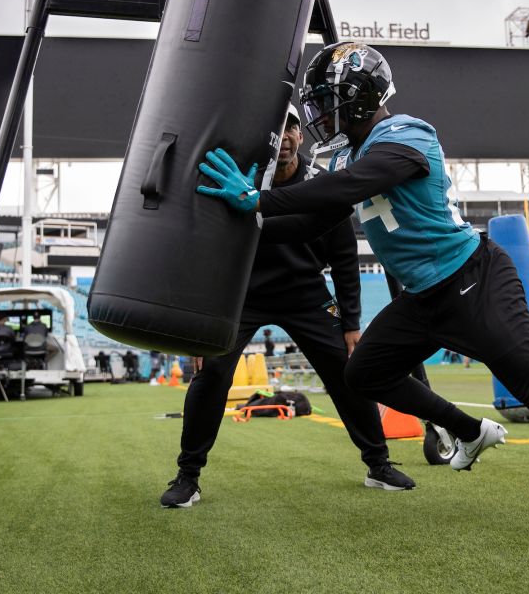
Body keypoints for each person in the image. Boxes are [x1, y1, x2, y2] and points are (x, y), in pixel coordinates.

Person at [196, 42, 529, 523]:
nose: (321, 112)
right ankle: (468, 430)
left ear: (360, 96)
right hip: (424, 297)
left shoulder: (408, 134)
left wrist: (259, 201)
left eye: (328, 99)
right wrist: (247, 221)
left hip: (474, 282)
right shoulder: (349, 156)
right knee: (364, 373)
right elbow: (313, 220)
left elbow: (351, 185)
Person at [161, 105, 414, 509]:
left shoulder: (323, 185)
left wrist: (351, 322)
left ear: (300, 136)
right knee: (210, 377)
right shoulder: (236, 182)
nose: (286, 136)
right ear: (267, 138)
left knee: (349, 373)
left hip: (306, 294)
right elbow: (205, 251)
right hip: (241, 295)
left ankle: (378, 464)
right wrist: (199, 325)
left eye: (293, 127)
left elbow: (346, 257)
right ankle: (188, 476)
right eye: (278, 129)